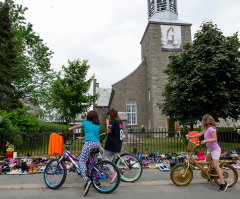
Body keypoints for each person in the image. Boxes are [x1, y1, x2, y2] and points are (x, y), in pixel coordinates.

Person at [189, 114, 228, 192]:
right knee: (208, 163)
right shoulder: (206, 129)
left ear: (206, 121)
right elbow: (200, 134)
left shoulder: (211, 129)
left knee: (216, 165)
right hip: (209, 149)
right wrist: (191, 137)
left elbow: (215, 138)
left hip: (215, 149)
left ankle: (223, 183)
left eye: (203, 120)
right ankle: (211, 176)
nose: (202, 122)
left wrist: (206, 141)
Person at [68, 110, 100, 196]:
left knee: (82, 160)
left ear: (88, 116)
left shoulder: (86, 123)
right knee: (94, 163)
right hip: (97, 144)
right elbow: (92, 134)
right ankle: (96, 181)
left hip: (89, 144)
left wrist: (71, 128)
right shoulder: (97, 125)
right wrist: (82, 138)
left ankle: (86, 180)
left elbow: (78, 126)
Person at [102, 108, 123, 183]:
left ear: (111, 115)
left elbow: (109, 130)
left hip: (112, 143)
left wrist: (107, 122)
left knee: (104, 156)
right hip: (118, 143)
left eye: (108, 116)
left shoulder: (113, 121)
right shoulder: (120, 122)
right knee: (113, 157)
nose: (108, 117)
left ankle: (112, 172)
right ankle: (119, 168)